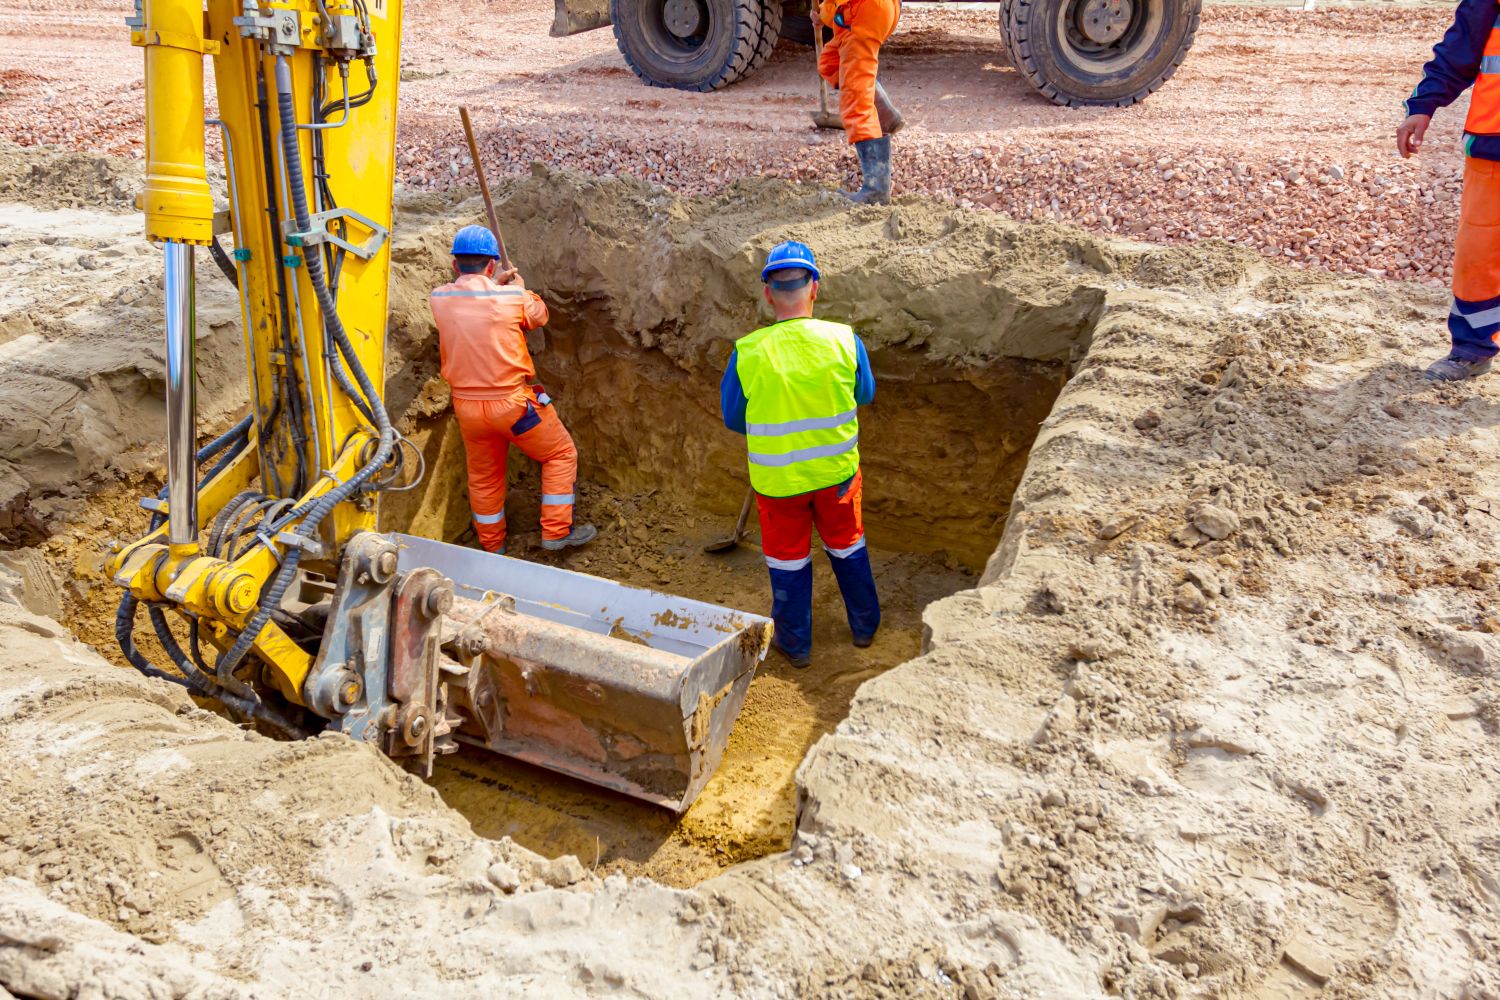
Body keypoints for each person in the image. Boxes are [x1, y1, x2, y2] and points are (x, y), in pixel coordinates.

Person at [720, 241, 880, 668]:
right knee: (848, 548)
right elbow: (864, 393)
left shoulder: (748, 352)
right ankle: (865, 627)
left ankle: (796, 645)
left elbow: (734, 417)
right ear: (815, 289)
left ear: (768, 294)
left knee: (788, 561)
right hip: (837, 477)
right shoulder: (845, 340)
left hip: (779, 484)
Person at [428, 225, 596, 554]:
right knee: (560, 454)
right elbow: (539, 316)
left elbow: (474, 301)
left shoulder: (440, 298)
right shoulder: (513, 298)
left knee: (484, 477)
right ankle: (555, 532)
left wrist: (496, 287)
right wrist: (520, 288)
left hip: (468, 410)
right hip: (514, 407)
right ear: (492, 264)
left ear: (456, 264)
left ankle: (493, 547)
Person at [1399, 0, 1500, 381]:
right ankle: (1472, 349)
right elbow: (1461, 46)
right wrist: (1422, 105)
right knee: (1479, 254)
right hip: (1493, 143)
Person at [818, 0, 901, 204]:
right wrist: (822, 14)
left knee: (856, 101)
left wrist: (824, 13)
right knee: (830, 63)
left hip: (862, 12)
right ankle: (884, 113)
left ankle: (876, 190)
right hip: (871, 9)